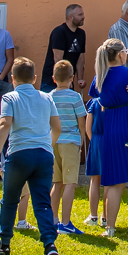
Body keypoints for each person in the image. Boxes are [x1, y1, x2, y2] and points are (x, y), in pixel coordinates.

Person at [0, 58, 61, 255]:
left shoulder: (10, 97)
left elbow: (4, 124)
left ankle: (4, 244)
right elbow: (56, 127)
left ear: (12, 79)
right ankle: (49, 245)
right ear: (35, 78)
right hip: (43, 155)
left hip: (19, 154)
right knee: (42, 203)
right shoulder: (46, 98)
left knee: (10, 199)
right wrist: (47, 144)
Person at [89, 39, 128, 237]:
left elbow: (97, 101)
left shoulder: (99, 77)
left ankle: (110, 228)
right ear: (120, 55)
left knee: (114, 181)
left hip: (112, 125)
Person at [45, 60, 88, 233]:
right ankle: (66, 222)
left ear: (53, 78)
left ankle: (53, 220)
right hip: (70, 141)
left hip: (53, 141)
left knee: (57, 182)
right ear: (72, 78)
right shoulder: (75, 97)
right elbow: (81, 122)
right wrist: (82, 141)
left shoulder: (48, 97)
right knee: (71, 183)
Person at [42, 4, 87, 90]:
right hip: (52, 83)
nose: (83, 17)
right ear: (70, 17)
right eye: (80, 15)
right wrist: (64, 81)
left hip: (68, 81)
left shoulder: (81, 34)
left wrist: (80, 79)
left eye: (83, 14)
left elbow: (80, 58)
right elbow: (58, 59)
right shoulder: (59, 32)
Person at [81, 87, 105, 226]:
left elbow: (88, 128)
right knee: (109, 182)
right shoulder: (115, 103)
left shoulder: (94, 103)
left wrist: (94, 140)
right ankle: (105, 216)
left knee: (94, 180)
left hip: (96, 141)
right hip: (110, 141)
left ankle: (93, 216)